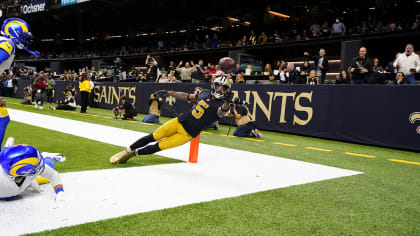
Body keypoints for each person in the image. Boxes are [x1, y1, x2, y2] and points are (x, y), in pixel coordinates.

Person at [110, 75, 233, 164]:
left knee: (158, 146)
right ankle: (126, 151)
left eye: (223, 88)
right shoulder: (205, 92)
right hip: (179, 121)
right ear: (213, 85)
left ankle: (133, 154)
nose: (219, 90)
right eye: (218, 86)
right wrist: (169, 92)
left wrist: (228, 102)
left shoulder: (222, 104)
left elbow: (222, 111)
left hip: (188, 134)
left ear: (227, 91)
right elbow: (186, 96)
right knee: (152, 136)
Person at [0, 140, 65, 201]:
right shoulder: (28, 170)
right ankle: (45, 155)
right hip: (17, 183)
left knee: (48, 164)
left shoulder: (27, 170)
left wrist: (60, 192)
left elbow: (53, 175)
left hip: (19, 181)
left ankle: (46, 156)